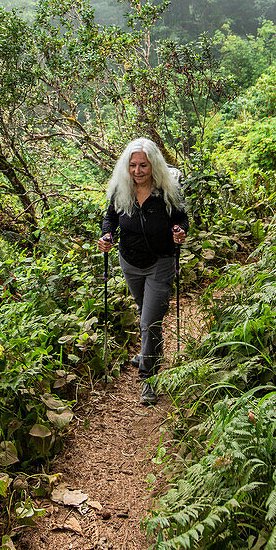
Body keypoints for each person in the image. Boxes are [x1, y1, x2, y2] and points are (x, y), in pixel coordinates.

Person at [98, 138, 188, 405]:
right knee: (143, 312)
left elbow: (181, 217)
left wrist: (180, 231)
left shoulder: (166, 189)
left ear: (153, 165)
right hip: (130, 261)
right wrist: (107, 234)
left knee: (150, 320)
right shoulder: (121, 189)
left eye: (143, 166)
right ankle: (149, 351)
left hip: (160, 262)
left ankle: (149, 377)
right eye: (133, 165)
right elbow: (111, 218)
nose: (137, 171)